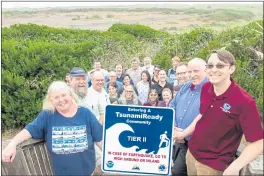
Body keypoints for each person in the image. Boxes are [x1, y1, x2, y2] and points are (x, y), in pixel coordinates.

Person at [173, 50, 263, 175]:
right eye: (210, 66)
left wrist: (235, 166)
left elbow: (258, 142)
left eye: (220, 65)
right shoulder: (206, 88)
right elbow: (202, 115)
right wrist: (183, 133)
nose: (213, 70)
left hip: (213, 165)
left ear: (231, 68)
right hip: (192, 154)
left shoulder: (244, 101)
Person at [2, 81, 103, 176]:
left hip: (87, 172)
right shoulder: (47, 116)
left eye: (64, 95)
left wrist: (114, 157)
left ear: (71, 95)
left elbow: (100, 138)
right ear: (51, 100)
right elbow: (29, 130)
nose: (61, 100)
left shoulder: (85, 113)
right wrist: (12, 144)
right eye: (56, 97)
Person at [169, 58, 208, 176]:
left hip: (197, 144)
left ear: (206, 70)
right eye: (189, 72)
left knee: (178, 172)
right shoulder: (186, 86)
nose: (192, 75)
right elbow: (172, 106)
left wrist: (185, 133)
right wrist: (174, 127)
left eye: (196, 71)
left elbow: (204, 117)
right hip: (179, 140)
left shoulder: (210, 89)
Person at [69, 68, 104, 176]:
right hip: (74, 141)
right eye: (77, 79)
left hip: (94, 138)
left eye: (83, 79)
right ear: (70, 81)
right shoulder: (66, 98)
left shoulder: (94, 95)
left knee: (101, 165)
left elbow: (103, 114)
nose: (81, 82)